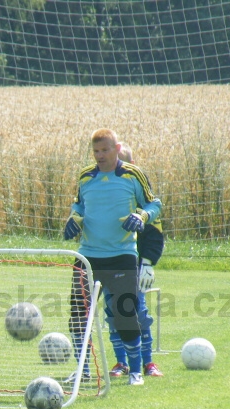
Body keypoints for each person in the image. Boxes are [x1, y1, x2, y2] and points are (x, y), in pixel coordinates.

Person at [64, 129, 162, 386]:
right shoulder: (86, 176)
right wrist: (74, 218)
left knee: (125, 314)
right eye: (96, 151)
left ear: (117, 148)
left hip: (122, 255)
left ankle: (135, 371)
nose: (100, 156)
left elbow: (155, 205)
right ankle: (82, 369)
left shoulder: (133, 175)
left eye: (105, 150)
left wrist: (142, 217)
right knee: (78, 313)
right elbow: (78, 206)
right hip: (87, 256)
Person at [105, 143, 165, 378]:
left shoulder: (140, 195)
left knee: (137, 313)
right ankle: (121, 363)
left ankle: (148, 363)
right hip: (108, 261)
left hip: (134, 265)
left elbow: (154, 234)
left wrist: (148, 263)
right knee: (112, 313)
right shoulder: (104, 193)